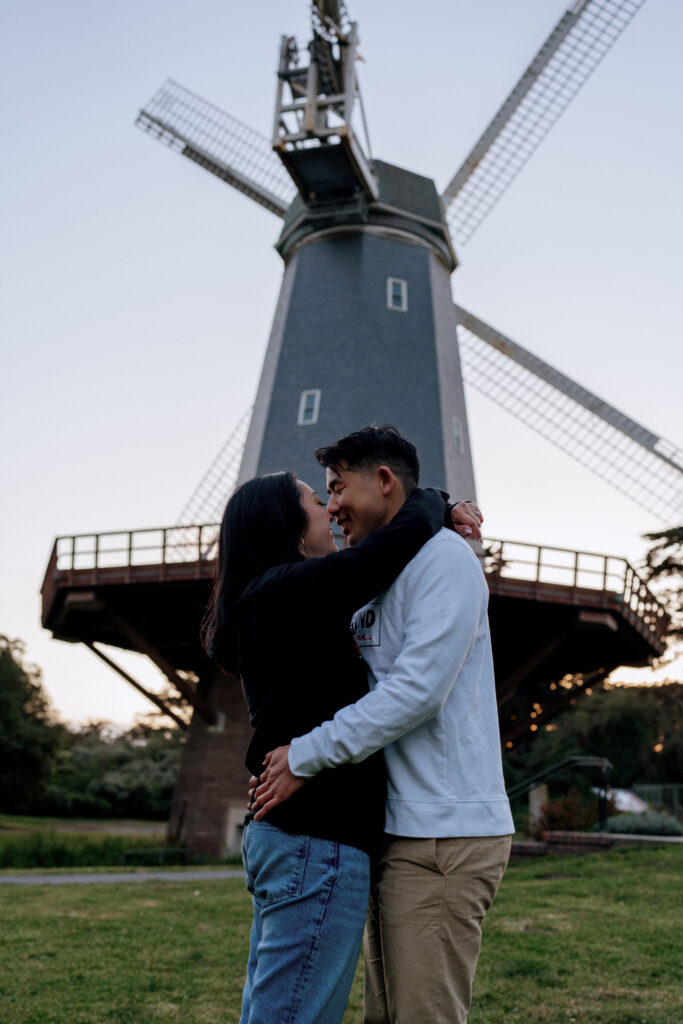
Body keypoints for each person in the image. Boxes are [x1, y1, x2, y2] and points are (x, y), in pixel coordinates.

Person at [251, 425, 514, 1024]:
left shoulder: (444, 560)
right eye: (323, 496)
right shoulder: (372, 572)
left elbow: (416, 690)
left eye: (337, 488)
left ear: (385, 481)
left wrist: (304, 754)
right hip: (399, 832)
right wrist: (440, 503)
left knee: (423, 1015)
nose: (333, 505)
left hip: (444, 832)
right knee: (384, 1015)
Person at [202, 465, 481, 1024]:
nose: (328, 508)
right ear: (284, 524)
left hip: (299, 836)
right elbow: (382, 555)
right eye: (313, 498)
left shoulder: (278, 600)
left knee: (275, 1008)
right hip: (316, 842)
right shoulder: (284, 589)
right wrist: (430, 497)